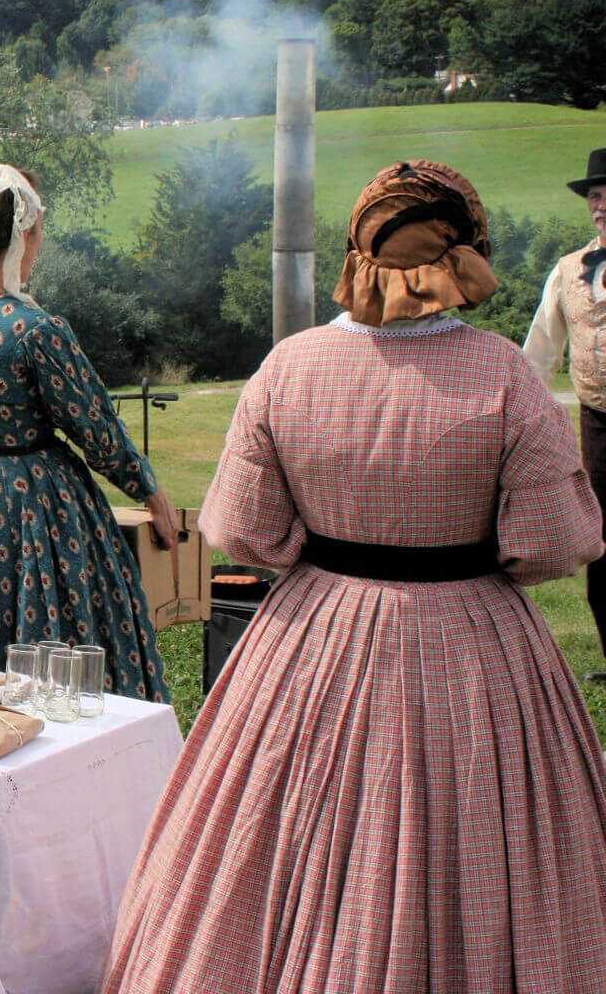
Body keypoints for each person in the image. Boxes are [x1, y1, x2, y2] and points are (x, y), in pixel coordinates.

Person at [103, 161, 606, 992]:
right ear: (462, 254)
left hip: (312, 638)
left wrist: (327, 535)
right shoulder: (504, 375)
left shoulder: (289, 367)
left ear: (361, 257)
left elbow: (240, 532)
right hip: (473, 646)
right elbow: (551, 545)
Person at [0, 163, 176, 702]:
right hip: (29, 504)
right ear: (25, 235)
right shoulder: (35, 329)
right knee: (46, 645)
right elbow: (97, 429)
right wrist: (149, 490)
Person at [521, 144, 606, 681]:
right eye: (595, 196)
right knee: (602, 546)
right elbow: (539, 354)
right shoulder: (568, 270)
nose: (601, 205)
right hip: (599, 426)